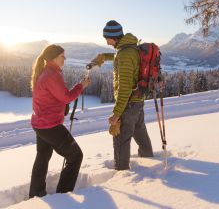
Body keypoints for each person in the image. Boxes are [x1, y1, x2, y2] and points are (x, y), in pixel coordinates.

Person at [29, 44, 91, 198]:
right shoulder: (52, 74)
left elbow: (54, 97)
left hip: (40, 124)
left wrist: (61, 106)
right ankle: (63, 195)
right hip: (50, 125)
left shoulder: (46, 72)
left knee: (42, 157)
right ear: (54, 58)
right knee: (76, 156)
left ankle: (36, 193)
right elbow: (66, 96)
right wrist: (81, 86)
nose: (65, 58)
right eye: (62, 56)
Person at [91, 20, 153, 170]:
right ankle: (150, 158)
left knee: (120, 139)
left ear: (114, 37)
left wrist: (116, 114)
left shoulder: (125, 54)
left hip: (128, 103)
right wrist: (104, 57)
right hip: (137, 101)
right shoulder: (130, 48)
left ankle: (121, 172)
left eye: (107, 38)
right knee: (139, 131)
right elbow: (120, 56)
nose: (106, 41)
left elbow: (124, 87)